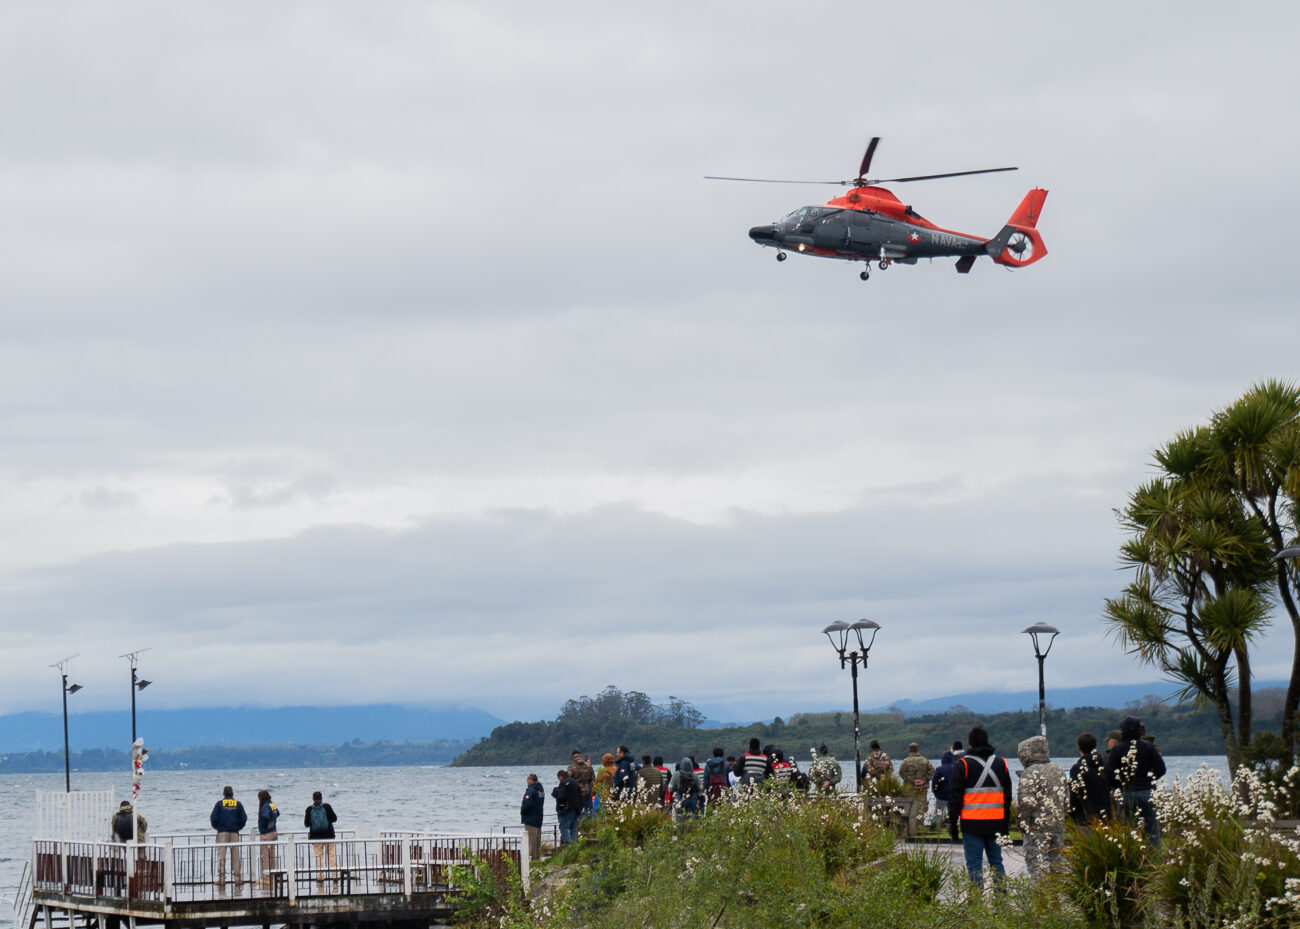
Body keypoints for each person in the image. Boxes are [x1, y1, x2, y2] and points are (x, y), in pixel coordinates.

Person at [948, 726, 1012, 887]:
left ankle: (976, 905)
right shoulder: (1001, 763)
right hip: (996, 823)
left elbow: (955, 798)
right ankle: (1001, 901)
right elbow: (1007, 797)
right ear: (987, 741)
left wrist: (953, 824)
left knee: (975, 866)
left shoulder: (963, 765)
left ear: (969, 743)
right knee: (997, 863)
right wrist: (1005, 826)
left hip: (972, 824)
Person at [1105, 716, 1166, 845]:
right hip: (1146, 792)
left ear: (1123, 731)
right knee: (1151, 826)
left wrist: (1119, 785)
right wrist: (1149, 780)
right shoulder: (1148, 747)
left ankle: (1131, 855)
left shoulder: (1117, 749)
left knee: (1127, 828)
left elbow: (1109, 774)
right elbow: (1161, 769)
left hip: (1126, 792)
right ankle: (1153, 857)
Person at [1016, 735, 1067, 879]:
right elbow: (1066, 799)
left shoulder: (1030, 773)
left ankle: (1042, 899)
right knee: (1057, 865)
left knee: (1038, 865)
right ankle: (1056, 897)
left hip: (1036, 827)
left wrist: (1023, 824)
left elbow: (1026, 803)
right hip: (1057, 825)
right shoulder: (1058, 770)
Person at [210, 786, 248, 890]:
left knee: (221, 855)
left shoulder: (219, 804)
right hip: (234, 832)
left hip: (222, 832)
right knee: (235, 855)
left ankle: (221, 879)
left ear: (223, 793)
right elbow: (244, 818)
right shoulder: (238, 804)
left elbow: (213, 818)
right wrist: (238, 827)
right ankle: (237, 878)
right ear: (232, 793)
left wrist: (218, 828)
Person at [1068, 732, 1110, 824]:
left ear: (1079, 747)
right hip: (1106, 814)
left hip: (1086, 816)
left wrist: (1073, 814)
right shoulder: (1104, 766)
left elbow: (1074, 794)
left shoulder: (1077, 769)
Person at [304, 790, 339, 889]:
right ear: (321, 798)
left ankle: (320, 877)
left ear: (313, 799)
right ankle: (335, 876)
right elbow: (334, 818)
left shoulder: (309, 809)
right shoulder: (327, 807)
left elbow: (306, 824)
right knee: (332, 856)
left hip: (316, 837)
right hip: (329, 836)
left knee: (319, 857)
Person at [897, 743, 934, 832]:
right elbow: (932, 771)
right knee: (920, 807)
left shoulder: (906, 761)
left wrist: (911, 781)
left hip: (909, 788)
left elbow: (901, 773)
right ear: (918, 750)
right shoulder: (925, 761)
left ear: (909, 750)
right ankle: (919, 826)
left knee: (909, 807)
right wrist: (924, 780)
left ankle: (909, 826)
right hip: (922, 788)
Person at [552, 769, 583, 844]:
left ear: (560, 777)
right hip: (577, 808)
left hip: (568, 808)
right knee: (573, 827)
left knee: (563, 827)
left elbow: (562, 796)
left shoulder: (563, 783)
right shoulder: (575, 782)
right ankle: (574, 845)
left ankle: (568, 845)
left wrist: (560, 808)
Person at [256, 789, 280, 888]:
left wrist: (264, 825)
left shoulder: (265, 805)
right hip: (274, 832)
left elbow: (265, 816)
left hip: (266, 833)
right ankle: (273, 875)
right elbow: (277, 813)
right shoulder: (272, 804)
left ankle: (266, 877)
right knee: (272, 855)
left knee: (265, 856)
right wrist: (273, 821)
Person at [931, 747, 957, 833]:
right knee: (951, 813)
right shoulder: (956, 768)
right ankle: (952, 828)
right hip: (953, 795)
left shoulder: (939, 769)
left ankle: (935, 828)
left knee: (938, 812)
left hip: (941, 795)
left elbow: (935, 781)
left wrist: (934, 791)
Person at [668, 756, 701, 822]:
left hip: (680, 799)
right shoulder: (694, 775)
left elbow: (670, 787)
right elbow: (700, 788)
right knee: (692, 818)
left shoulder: (676, 774)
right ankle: (691, 830)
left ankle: (681, 830)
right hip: (692, 799)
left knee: (680, 817)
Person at [520, 774, 544, 860]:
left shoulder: (531, 790)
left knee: (531, 839)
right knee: (537, 838)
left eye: (527, 780)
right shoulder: (540, 789)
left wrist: (522, 812)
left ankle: (531, 858)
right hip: (538, 817)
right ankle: (537, 856)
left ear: (531, 780)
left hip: (530, 818)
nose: (527, 782)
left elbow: (526, 804)